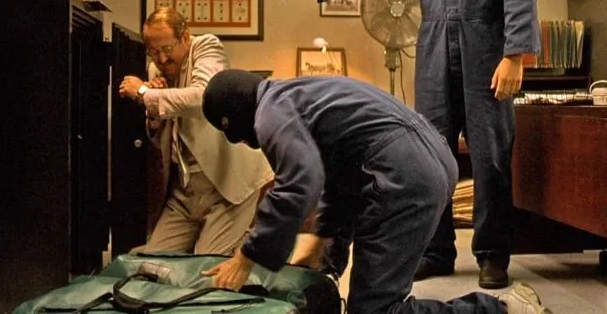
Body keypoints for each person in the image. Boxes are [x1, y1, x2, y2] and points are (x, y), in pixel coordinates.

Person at [267, 0, 540, 289]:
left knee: (491, 157)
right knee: (430, 156)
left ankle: (492, 255)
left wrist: (515, 55)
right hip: (433, 55)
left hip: (486, 56)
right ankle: (436, 251)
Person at [200, 69, 552, 314]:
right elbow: (338, 180)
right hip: (432, 162)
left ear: (236, 119)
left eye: (242, 138)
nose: (249, 143)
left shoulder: (269, 114)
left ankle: (502, 309)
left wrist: (248, 256)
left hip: (403, 176)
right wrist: (324, 243)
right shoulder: (296, 94)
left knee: (374, 310)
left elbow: (298, 183)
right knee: (371, 298)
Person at [118, 7, 273, 255]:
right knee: (152, 262)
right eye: (153, 52)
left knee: (205, 265)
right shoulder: (155, 70)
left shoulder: (206, 47)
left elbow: (202, 98)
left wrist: (144, 93)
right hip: (184, 191)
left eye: (167, 49)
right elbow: (161, 132)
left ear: (185, 37)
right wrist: (154, 115)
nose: (162, 59)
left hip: (229, 186)